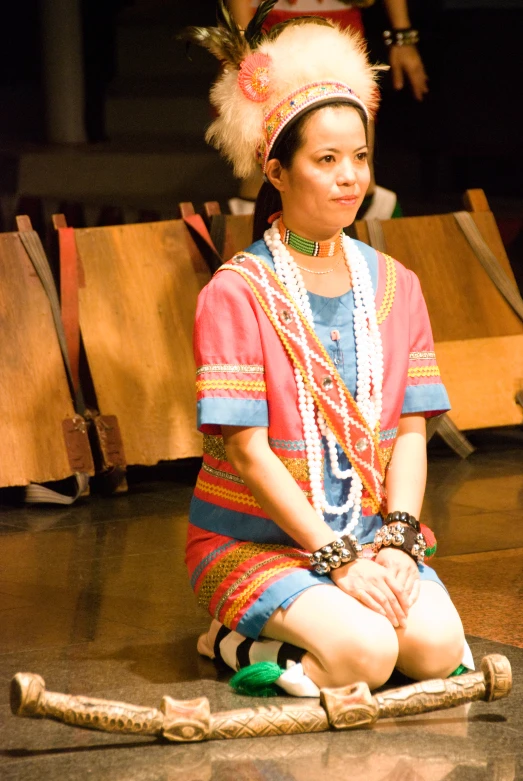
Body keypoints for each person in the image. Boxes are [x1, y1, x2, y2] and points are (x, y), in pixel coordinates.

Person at [184, 8, 471, 697]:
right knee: (365, 656)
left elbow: (409, 429)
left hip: (371, 535)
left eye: (360, 157)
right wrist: (336, 559)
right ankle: (231, 639)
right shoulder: (236, 291)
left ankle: (328, 620)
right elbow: (249, 452)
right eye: (326, 160)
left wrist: (398, 538)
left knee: (436, 649)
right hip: (254, 541)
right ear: (276, 172)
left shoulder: (396, 285)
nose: (350, 177)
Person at [226, 0, 428, 220]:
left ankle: (364, 241)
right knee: (266, 165)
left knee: (352, 147)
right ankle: (265, 240)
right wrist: (244, 48)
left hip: (340, 27)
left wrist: (402, 35)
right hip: (266, 32)